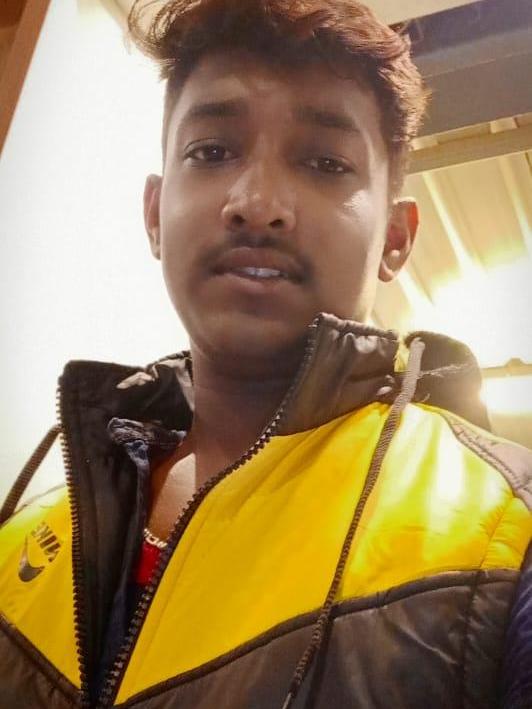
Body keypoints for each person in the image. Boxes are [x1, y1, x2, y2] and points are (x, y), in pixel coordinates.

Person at [0, 0, 530, 707]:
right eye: (211, 152)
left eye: (326, 162)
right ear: (155, 213)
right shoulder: (23, 536)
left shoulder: (505, 534)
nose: (256, 202)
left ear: (396, 238)